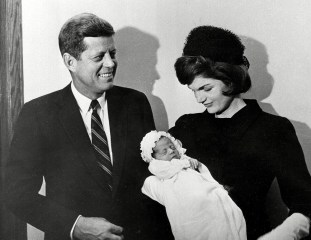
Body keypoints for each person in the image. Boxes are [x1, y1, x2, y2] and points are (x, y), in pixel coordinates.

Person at [4, 13, 172, 240]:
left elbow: (154, 177)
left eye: (112, 54)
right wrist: (75, 225)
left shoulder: (136, 103)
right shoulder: (37, 114)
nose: (110, 63)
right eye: (99, 56)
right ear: (70, 61)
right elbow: (16, 193)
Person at [169, 25, 311, 240]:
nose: (200, 99)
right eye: (194, 91)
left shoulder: (273, 129)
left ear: (231, 79)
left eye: (206, 88)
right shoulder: (186, 126)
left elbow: (305, 202)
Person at [140, 130, 247, 240]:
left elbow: (204, 175)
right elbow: (150, 183)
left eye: (172, 146)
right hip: (187, 208)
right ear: (154, 159)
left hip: (206, 198)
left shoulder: (186, 161)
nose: (171, 151)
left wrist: (191, 163)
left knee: (219, 220)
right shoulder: (160, 170)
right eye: (164, 152)